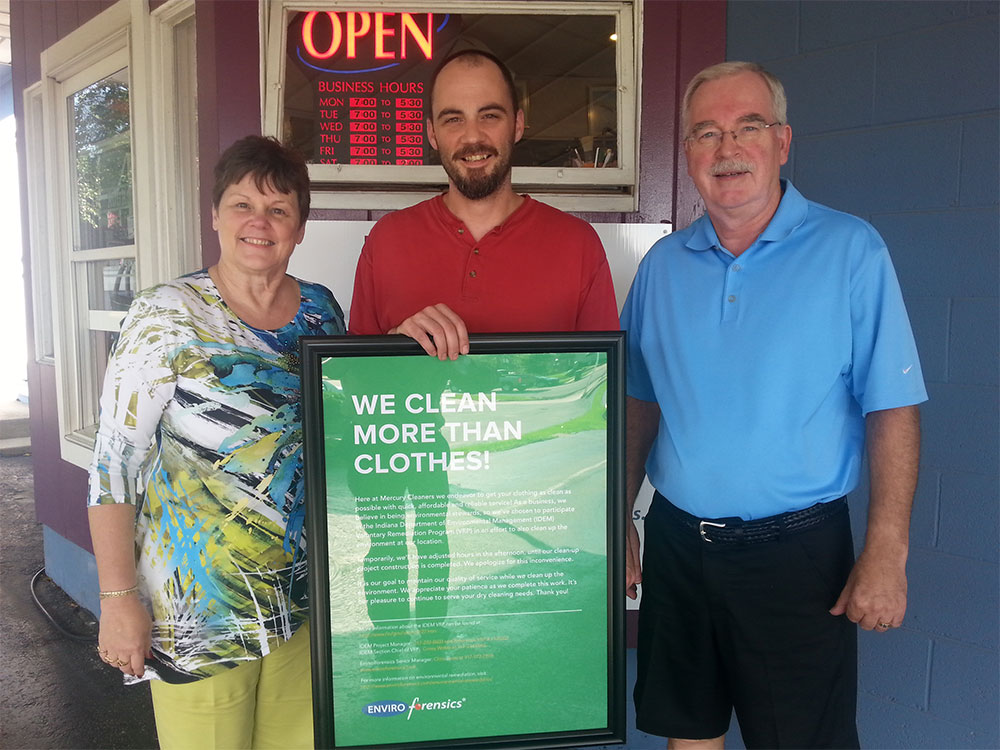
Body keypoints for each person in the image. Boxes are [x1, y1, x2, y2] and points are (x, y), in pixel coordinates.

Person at [621, 61, 927, 749]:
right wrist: (622, 514)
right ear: (689, 153)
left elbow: (893, 409)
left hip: (798, 555)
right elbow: (640, 401)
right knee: (686, 733)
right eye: (706, 133)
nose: (727, 149)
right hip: (677, 541)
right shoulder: (661, 269)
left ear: (782, 142)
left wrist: (887, 549)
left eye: (747, 127)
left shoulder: (851, 251)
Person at [87, 135, 345, 749]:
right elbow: (113, 466)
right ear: (215, 216)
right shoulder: (164, 314)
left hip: (302, 602)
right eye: (241, 204)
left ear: (300, 227)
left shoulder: (321, 311)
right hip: (198, 613)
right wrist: (119, 599)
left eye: (279, 209)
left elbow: (343, 422)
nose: (260, 222)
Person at [349, 48, 620, 352]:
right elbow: (353, 381)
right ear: (432, 133)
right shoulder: (387, 241)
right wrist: (393, 345)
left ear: (517, 124)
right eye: (453, 119)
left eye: (489, 115)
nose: (472, 137)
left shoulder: (578, 245)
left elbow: (599, 383)